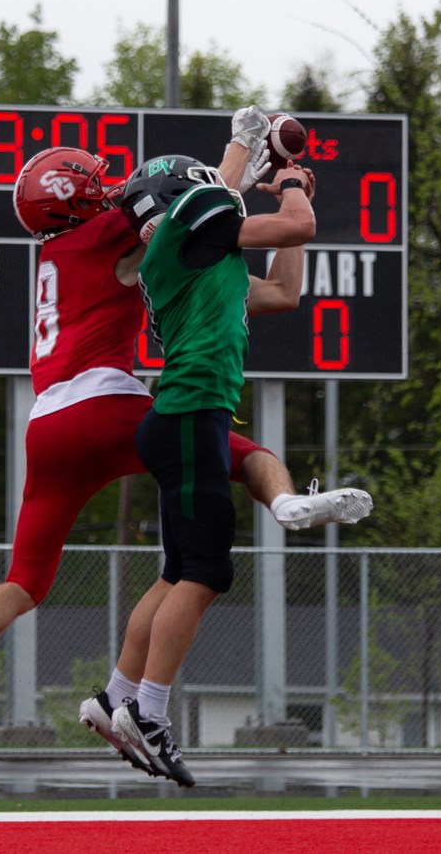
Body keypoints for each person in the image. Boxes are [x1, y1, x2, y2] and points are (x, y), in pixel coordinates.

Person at [0, 111, 372, 766]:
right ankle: (284, 505)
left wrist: (248, 162)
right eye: (93, 182)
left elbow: (249, 265)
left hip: (47, 424)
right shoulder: (112, 231)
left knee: (25, 579)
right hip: (103, 400)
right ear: (74, 197)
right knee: (227, 452)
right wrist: (243, 145)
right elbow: (203, 203)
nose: (108, 188)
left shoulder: (60, 250)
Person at [110, 149, 371, 787]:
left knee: (178, 574)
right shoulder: (195, 212)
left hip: (180, 417)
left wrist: (279, 188)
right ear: (184, 191)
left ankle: (120, 696)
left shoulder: (196, 253)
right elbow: (296, 225)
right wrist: (289, 183)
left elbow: (284, 291)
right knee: (205, 573)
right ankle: (148, 714)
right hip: (192, 412)